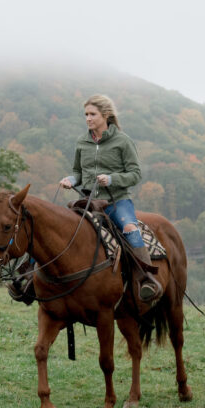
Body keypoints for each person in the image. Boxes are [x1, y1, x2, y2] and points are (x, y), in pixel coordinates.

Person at [58, 94, 163, 304]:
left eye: (92, 114)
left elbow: (135, 174)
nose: (88, 118)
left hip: (117, 202)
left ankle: (146, 280)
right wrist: (70, 179)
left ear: (105, 115)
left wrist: (112, 179)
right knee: (57, 227)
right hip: (87, 202)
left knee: (131, 229)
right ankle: (29, 277)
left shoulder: (123, 141)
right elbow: (78, 172)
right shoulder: (82, 142)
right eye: (86, 114)